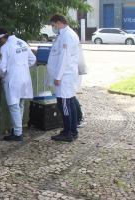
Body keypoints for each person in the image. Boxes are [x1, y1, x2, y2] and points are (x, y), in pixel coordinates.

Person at [0, 28, 37, 142]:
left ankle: (18, 133)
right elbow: (33, 59)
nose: (0, 43)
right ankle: (17, 130)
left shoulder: (5, 47)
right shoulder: (22, 42)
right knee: (20, 103)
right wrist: (22, 66)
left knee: (14, 105)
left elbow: (2, 68)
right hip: (25, 78)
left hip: (13, 79)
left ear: (2, 38)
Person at [47, 14, 80, 142]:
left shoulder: (67, 35)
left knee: (65, 105)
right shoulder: (66, 34)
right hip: (67, 75)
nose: (53, 27)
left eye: (53, 25)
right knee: (70, 104)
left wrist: (58, 76)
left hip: (65, 76)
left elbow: (64, 58)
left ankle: (68, 133)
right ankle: (72, 130)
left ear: (59, 22)